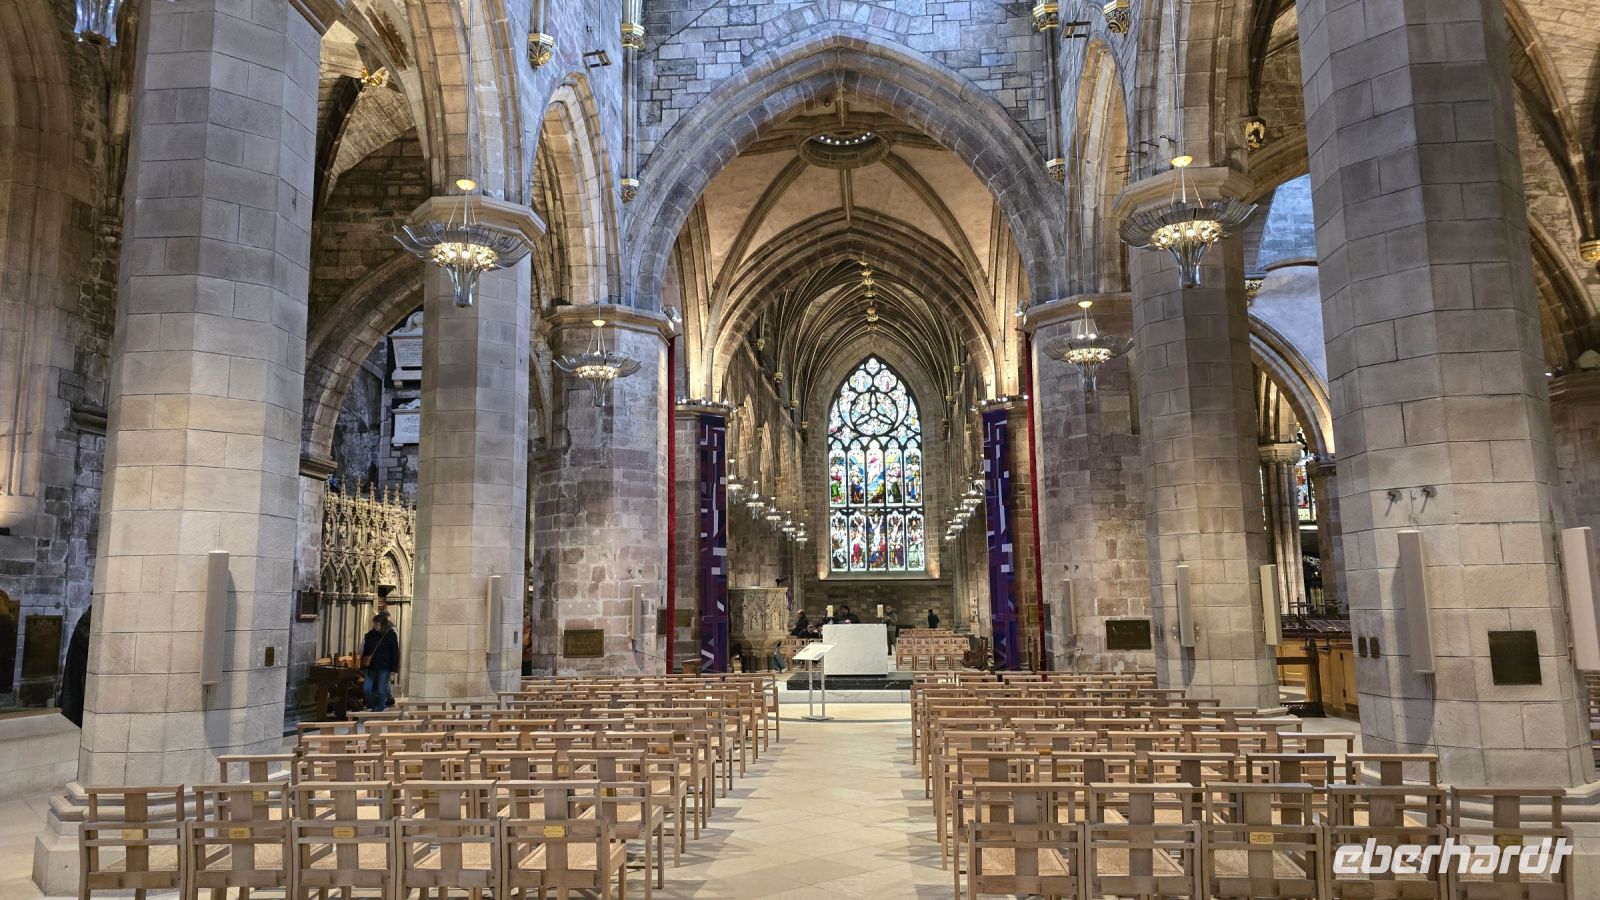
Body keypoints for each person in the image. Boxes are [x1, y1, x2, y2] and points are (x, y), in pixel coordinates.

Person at [361, 613, 400, 712]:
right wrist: (363, 666)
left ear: (383, 624)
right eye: (374, 623)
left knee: (381, 689)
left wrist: (394, 669)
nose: (375, 626)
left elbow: (395, 653)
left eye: (377, 624)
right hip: (371, 666)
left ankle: (379, 708)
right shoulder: (370, 635)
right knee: (367, 688)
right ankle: (373, 705)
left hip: (384, 666)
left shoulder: (391, 635)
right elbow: (366, 652)